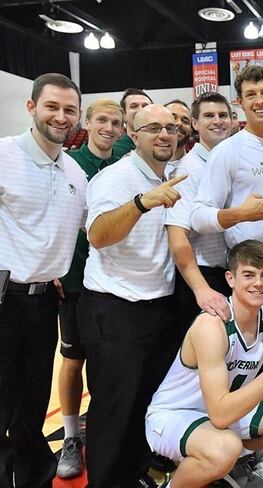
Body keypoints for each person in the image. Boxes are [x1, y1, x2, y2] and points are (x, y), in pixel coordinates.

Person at [146, 240, 263, 487]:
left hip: (225, 411)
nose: (258, 284)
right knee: (225, 448)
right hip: (175, 416)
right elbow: (220, 416)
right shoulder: (212, 326)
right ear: (230, 279)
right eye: (249, 275)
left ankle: (236, 462)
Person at [80, 104, 185, 487]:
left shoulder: (173, 175)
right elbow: (98, 235)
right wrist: (143, 202)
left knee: (146, 403)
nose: (164, 134)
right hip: (115, 308)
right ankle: (107, 481)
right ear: (133, 134)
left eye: (170, 128)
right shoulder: (116, 178)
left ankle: (134, 474)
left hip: (158, 305)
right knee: (115, 407)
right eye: (153, 127)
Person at [191, 65, 263, 388]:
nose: (259, 101)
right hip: (252, 284)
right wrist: (240, 214)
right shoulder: (227, 152)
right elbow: (199, 216)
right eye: (251, 95)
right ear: (239, 102)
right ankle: (255, 437)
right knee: (254, 371)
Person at [0, 72, 87, 488]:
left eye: (69, 109)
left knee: (32, 404)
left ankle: (32, 477)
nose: (60, 116)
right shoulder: (3, 155)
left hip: (43, 302)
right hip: (3, 298)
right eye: (51, 106)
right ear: (31, 107)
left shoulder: (75, 172)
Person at [55, 98, 125, 479]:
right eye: (102, 120)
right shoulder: (70, 165)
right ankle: (70, 437)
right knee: (73, 358)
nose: (109, 128)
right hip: (74, 279)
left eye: (116, 122)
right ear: (88, 122)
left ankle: (107, 432)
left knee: (108, 363)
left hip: (113, 283)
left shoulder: (125, 166)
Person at [166, 92, 233, 338]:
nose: (218, 121)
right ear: (195, 124)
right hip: (203, 275)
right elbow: (177, 237)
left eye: (223, 115)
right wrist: (201, 289)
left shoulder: (231, 158)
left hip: (232, 273)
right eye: (209, 116)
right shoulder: (187, 171)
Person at [113, 87, 152, 158]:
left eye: (145, 106)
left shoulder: (162, 145)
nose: (141, 110)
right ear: (124, 115)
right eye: (134, 106)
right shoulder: (114, 150)